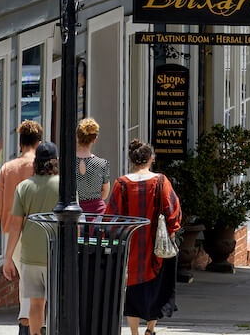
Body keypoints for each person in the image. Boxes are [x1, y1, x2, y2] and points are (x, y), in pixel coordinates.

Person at [106, 139, 182, 335]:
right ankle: (150, 328)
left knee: (132, 292)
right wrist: (172, 233)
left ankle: (134, 332)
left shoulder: (121, 183)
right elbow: (172, 208)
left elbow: (111, 215)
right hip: (155, 246)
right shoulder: (160, 181)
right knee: (156, 288)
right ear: (151, 159)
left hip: (130, 248)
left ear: (131, 160)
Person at [0, 120, 42, 335]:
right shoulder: (44, 167)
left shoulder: (7, 168)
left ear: (20, 144)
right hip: (39, 231)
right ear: (39, 143)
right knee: (37, 282)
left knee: (26, 283)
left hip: (12, 233)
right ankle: (32, 325)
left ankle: (26, 325)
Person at [3, 141, 60, 335]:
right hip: (56, 254)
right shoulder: (65, 187)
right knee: (57, 304)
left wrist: (8, 257)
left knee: (36, 304)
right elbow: (73, 224)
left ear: (36, 163)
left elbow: (16, 225)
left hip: (30, 255)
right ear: (56, 162)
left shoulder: (24, 187)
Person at [76, 118, 113, 215]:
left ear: (76, 136)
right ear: (94, 139)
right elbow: (104, 194)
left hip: (73, 214)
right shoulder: (102, 164)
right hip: (97, 215)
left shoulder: (65, 162)